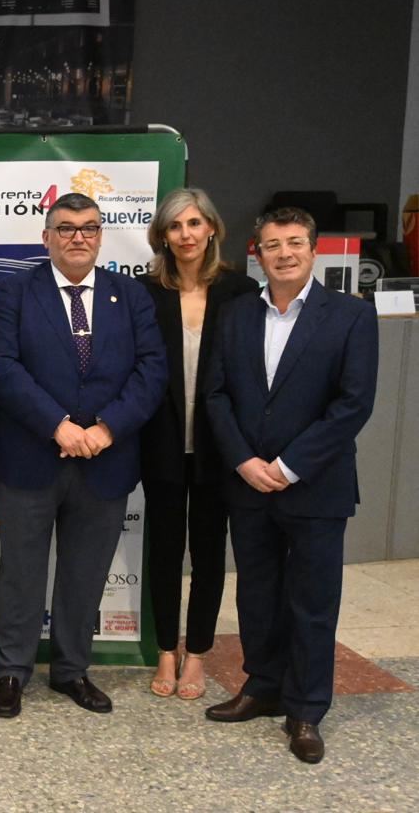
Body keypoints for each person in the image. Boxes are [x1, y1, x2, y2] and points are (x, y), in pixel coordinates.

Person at [203, 207, 377, 764]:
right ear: (257, 253)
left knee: (312, 602)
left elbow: (353, 404)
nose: (284, 254)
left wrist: (289, 465)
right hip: (248, 483)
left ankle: (305, 709)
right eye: (273, 245)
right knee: (256, 594)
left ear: (314, 249)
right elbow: (215, 395)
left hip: (315, 486)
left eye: (295, 242)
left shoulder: (351, 316)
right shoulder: (234, 314)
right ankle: (263, 687)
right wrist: (244, 461)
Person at [0, 192, 166, 718]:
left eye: (89, 227)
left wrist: (108, 428)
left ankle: (71, 670)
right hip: (30, 458)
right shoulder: (16, 292)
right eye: (66, 228)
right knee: (21, 573)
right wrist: (58, 427)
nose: (78, 237)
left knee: (85, 575)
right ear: (47, 237)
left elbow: (152, 369)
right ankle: (12, 671)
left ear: (101, 235)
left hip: (106, 461)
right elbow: (3, 368)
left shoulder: (129, 295)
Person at [137, 188, 259, 700]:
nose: (185, 234)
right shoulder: (145, 292)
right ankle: (166, 649)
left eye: (193, 223)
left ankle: (198, 654)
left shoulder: (241, 291)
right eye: (175, 226)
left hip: (219, 446)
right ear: (162, 236)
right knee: (164, 551)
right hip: (161, 442)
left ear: (211, 228)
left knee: (209, 554)